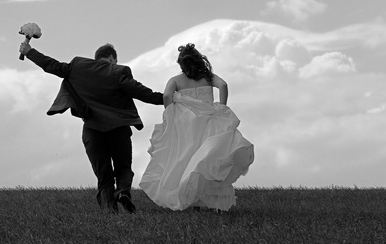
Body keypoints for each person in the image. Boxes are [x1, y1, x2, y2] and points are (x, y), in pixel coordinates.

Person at [19, 40, 163, 213]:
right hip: (119, 130)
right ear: (112, 58)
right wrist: (166, 98)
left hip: (92, 131)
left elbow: (51, 65)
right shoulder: (119, 71)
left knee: (104, 174)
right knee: (123, 168)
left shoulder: (77, 66)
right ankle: (123, 192)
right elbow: (143, 93)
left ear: (97, 57)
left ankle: (110, 213)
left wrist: (29, 51)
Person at [139, 43, 254, 212]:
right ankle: (211, 201)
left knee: (185, 159)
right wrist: (222, 107)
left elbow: (167, 96)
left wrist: (171, 113)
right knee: (209, 159)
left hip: (186, 125)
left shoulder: (175, 80)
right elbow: (223, 85)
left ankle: (191, 199)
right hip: (208, 122)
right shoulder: (207, 77)